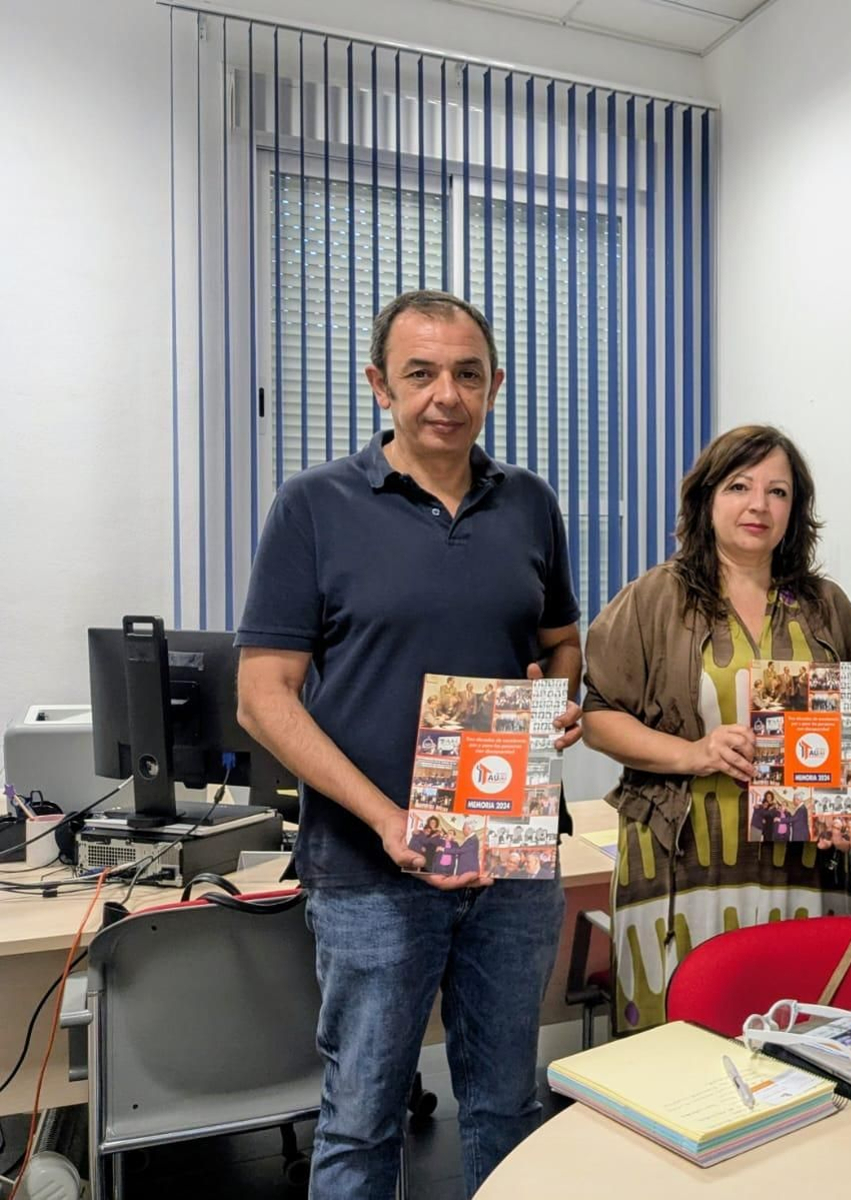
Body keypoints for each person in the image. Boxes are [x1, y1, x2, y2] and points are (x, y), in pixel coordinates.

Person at [235, 289, 583, 1199]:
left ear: (495, 384)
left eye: (469, 374)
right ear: (378, 385)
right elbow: (261, 698)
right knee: (360, 1121)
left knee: (509, 1105)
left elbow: (560, 641)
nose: (447, 395)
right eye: (421, 373)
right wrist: (391, 820)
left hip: (510, 860)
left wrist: (555, 707)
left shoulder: (530, 503)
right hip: (368, 869)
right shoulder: (313, 506)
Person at [582, 425, 851, 1034]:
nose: (758, 505)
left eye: (778, 492)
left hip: (804, 867)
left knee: (798, 1044)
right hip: (681, 866)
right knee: (681, 1051)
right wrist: (693, 752)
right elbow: (598, 715)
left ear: (796, 511)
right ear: (707, 498)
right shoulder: (653, 599)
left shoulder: (827, 607)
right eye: (740, 486)